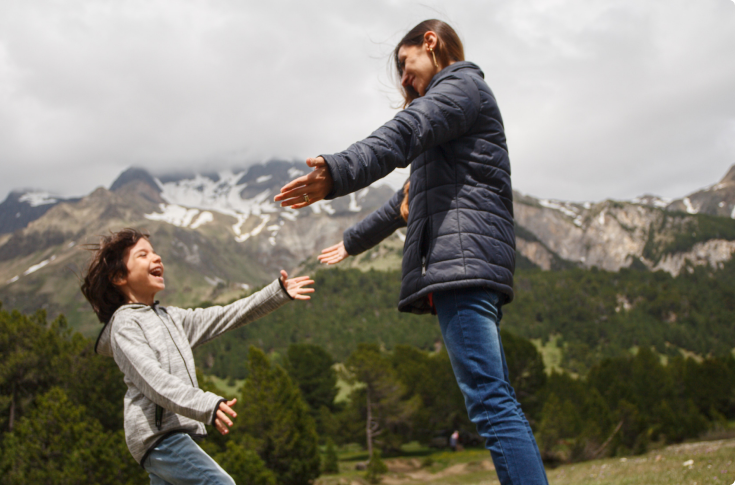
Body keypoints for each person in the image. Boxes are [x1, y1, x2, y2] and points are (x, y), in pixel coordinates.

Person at [275, 19, 549, 485]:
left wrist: (339, 170)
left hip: (461, 266)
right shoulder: (454, 116)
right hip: (470, 264)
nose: (403, 77)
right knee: (495, 397)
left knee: (489, 402)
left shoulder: (460, 88)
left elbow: (404, 130)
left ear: (431, 42)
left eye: (405, 62)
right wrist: (351, 241)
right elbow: (403, 203)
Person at [81, 228, 314, 485]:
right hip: (158, 437)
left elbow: (225, 315)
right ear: (118, 276)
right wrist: (206, 405)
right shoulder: (125, 325)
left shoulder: (171, 318)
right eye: (143, 255)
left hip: (170, 435)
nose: (156, 258)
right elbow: (153, 381)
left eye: (155, 252)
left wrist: (276, 293)